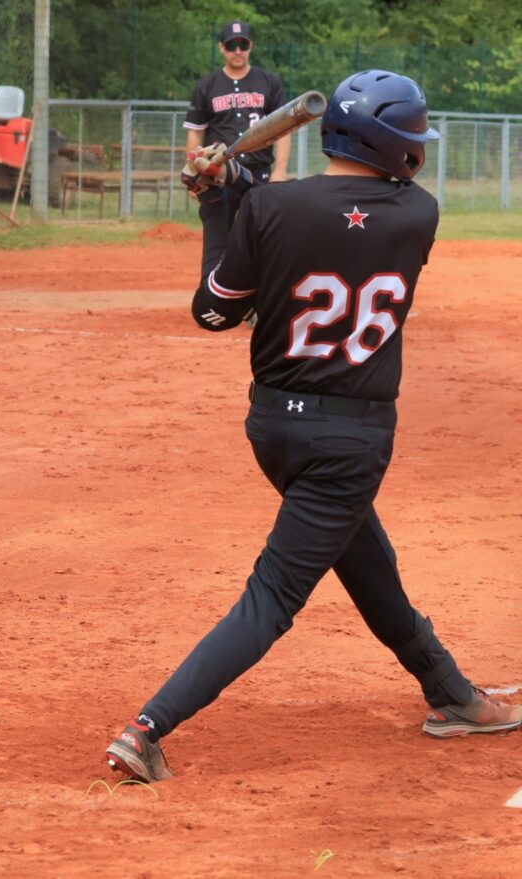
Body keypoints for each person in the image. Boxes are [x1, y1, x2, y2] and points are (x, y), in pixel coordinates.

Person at [105, 70, 522, 785]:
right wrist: (234, 193)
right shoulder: (418, 214)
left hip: (275, 428)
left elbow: (215, 310)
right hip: (350, 442)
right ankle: (147, 727)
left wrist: (218, 204)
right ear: (393, 147)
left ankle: (451, 692)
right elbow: (326, 225)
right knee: (274, 595)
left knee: (367, 563)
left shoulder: (270, 206)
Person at [184, 20, 290, 280]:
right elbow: (195, 132)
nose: (238, 51)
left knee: (265, 236)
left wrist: (280, 170)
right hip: (220, 175)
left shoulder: (269, 82)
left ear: (250, 46)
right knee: (222, 238)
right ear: (222, 48)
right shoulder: (207, 85)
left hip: (259, 173)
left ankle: (261, 294)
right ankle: (219, 291)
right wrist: (196, 176)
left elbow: (282, 131)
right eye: (232, 46)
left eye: (243, 44)